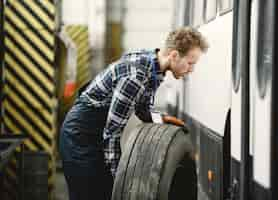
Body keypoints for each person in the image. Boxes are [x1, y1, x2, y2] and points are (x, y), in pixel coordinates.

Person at [59, 26, 209, 200]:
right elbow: (112, 132)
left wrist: (162, 119)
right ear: (174, 55)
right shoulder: (136, 77)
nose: (191, 69)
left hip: (95, 132)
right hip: (79, 136)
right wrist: (121, 179)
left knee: (104, 192)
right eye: (190, 63)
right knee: (91, 194)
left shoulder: (154, 67)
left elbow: (142, 109)